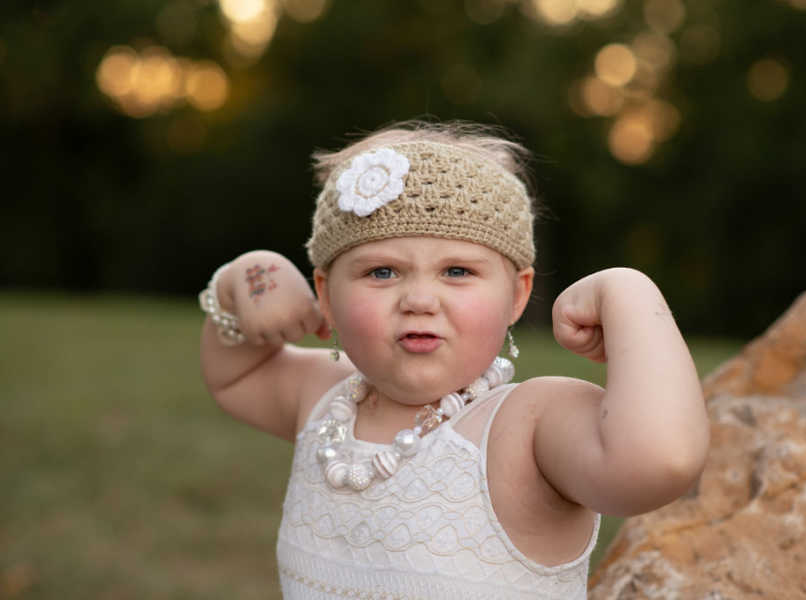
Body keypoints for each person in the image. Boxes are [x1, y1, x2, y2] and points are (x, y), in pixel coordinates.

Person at [198, 121, 709, 599]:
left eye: (458, 271)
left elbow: (660, 460)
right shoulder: (323, 398)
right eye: (381, 272)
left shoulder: (525, 428)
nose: (419, 299)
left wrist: (631, 295)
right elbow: (237, 374)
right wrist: (241, 281)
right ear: (326, 296)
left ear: (516, 295)